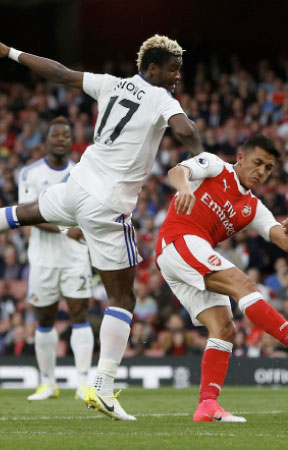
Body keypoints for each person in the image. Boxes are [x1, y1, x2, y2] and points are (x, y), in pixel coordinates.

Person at [0, 35, 204, 420]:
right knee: (123, 300)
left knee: (20, 214)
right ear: (153, 68)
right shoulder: (161, 97)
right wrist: (203, 159)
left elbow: (60, 74)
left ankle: (98, 385)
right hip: (108, 205)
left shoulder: (110, 83)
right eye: (172, 69)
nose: (177, 76)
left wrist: (10, 52)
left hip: (75, 186)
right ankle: (102, 387)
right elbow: (184, 129)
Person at [157, 135, 288, 423]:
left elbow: (285, 242)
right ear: (241, 157)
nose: (261, 171)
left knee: (224, 328)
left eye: (269, 168)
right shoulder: (215, 165)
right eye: (258, 162)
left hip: (189, 255)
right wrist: (184, 188)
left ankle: (207, 406)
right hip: (179, 240)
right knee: (244, 284)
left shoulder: (252, 207)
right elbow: (177, 171)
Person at [21, 117, 94, 402]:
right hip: (42, 258)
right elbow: (29, 214)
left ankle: (84, 383)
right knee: (45, 319)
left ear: (70, 141)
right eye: (56, 135)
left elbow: (89, 211)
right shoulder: (30, 173)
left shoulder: (82, 173)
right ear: (47, 141)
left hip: (75, 257)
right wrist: (67, 229)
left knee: (80, 315)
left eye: (66, 135)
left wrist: (82, 228)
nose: (62, 139)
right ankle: (47, 383)